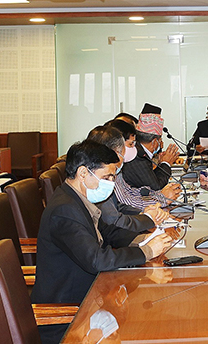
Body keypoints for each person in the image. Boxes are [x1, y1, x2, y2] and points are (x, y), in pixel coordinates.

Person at [32, 140, 173, 344]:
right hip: (68, 313)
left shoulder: (76, 198)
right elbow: (96, 260)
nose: (111, 183)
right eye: (106, 177)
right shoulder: (64, 210)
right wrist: (146, 252)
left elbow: (107, 232)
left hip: (92, 297)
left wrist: (142, 240)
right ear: (83, 173)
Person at [87, 125, 168, 233]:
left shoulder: (110, 173)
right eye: (128, 146)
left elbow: (119, 206)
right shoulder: (98, 179)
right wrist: (147, 219)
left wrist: (142, 213)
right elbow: (114, 220)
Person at [122, 112, 179, 193]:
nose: (160, 143)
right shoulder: (138, 155)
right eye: (160, 140)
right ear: (154, 142)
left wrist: (161, 164)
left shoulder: (140, 150)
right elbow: (156, 188)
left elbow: (151, 179)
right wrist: (166, 163)